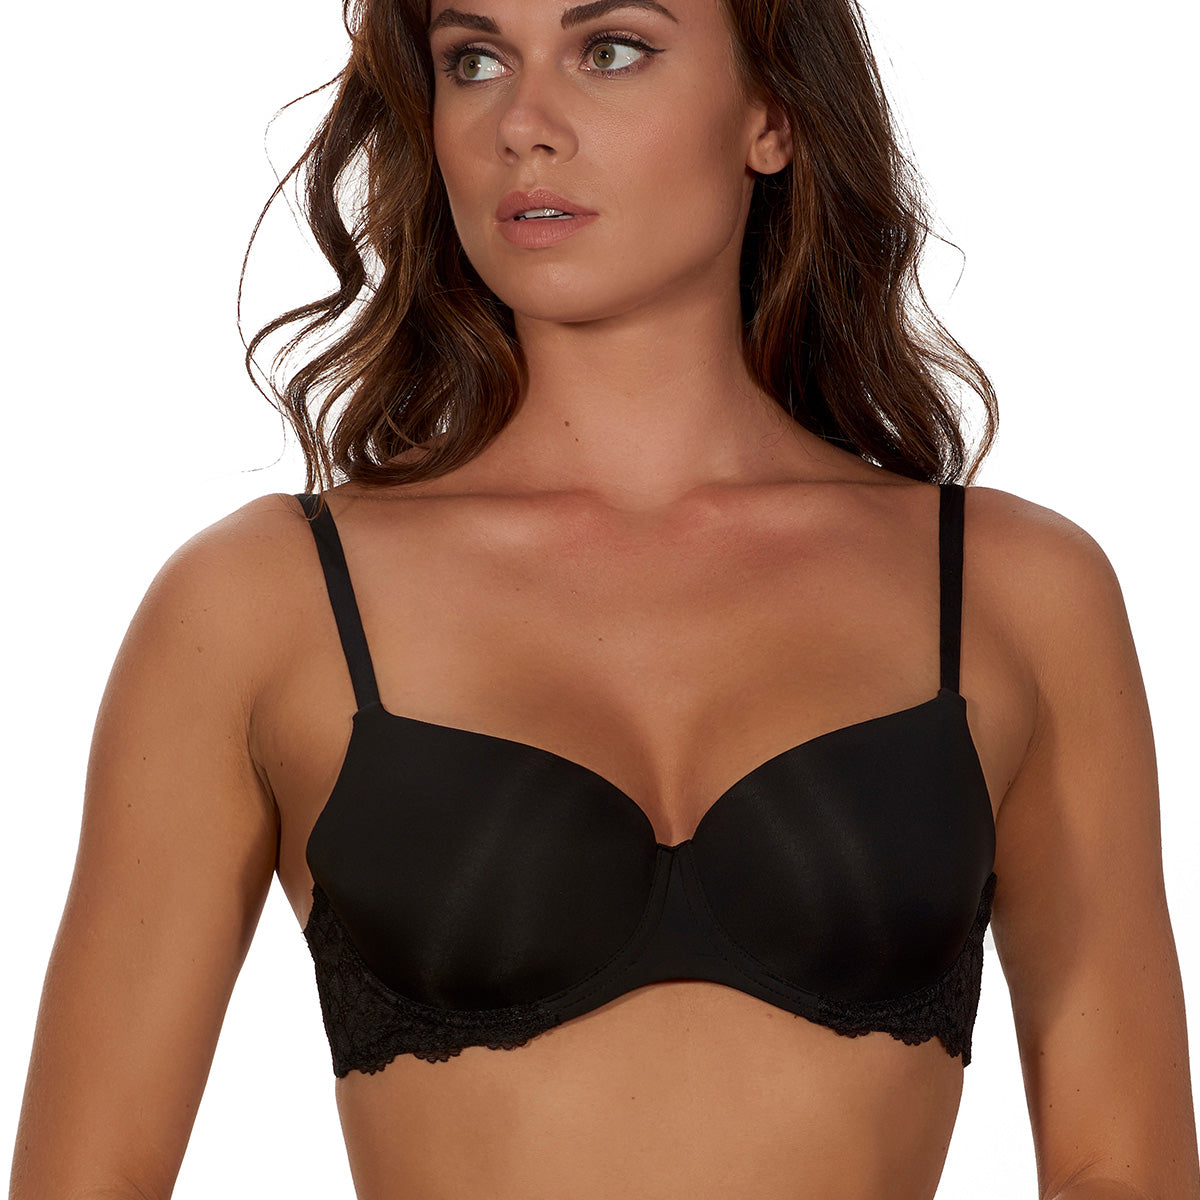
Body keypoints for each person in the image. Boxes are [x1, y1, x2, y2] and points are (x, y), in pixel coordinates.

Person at [9, 0, 1199, 1196]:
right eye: (476, 60)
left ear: (773, 113)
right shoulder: (264, 604)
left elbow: (1124, 1167)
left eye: (611, 49)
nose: (523, 122)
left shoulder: (1011, 591)